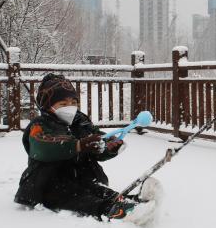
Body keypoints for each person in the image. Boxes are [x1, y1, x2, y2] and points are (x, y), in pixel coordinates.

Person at [14, 73, 136, 219]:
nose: (70, 107)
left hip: (81, 177)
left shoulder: (80, 122)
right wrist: (77, 145)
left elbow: (96, 145)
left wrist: (108, 148)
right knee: (79, 199)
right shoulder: (39, 125)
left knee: (95, 189)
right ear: (48, 106)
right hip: (48, 182)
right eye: (63, 104)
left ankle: (128, 201)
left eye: (73, 102)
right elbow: (43, 146)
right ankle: (109, 209)